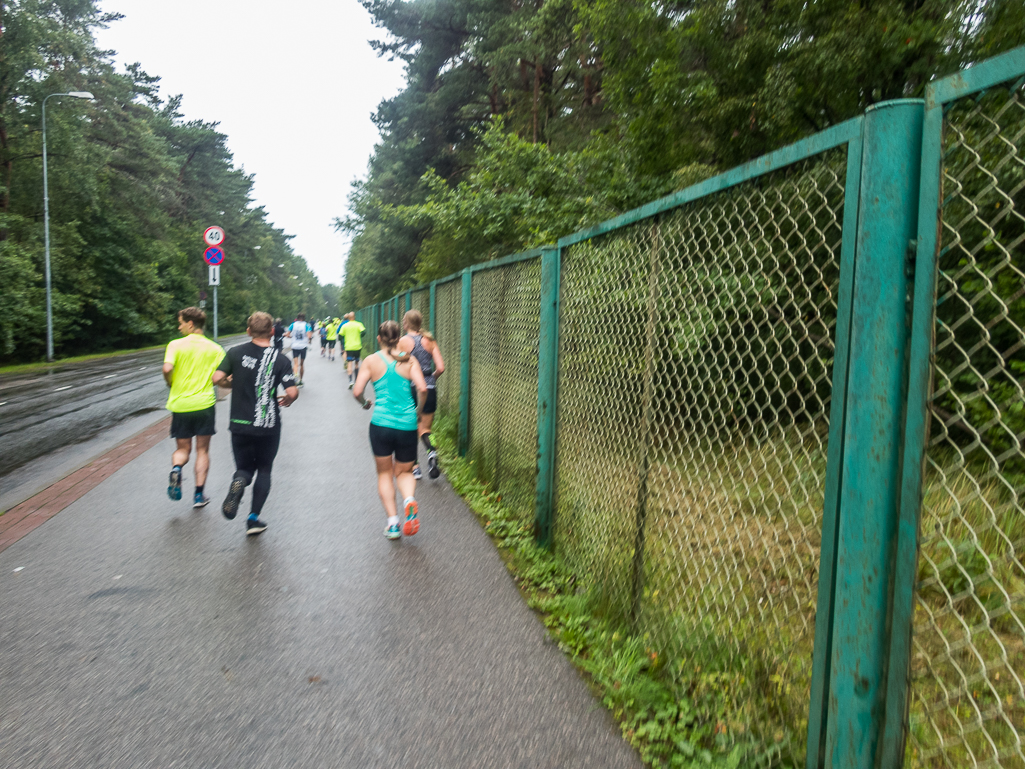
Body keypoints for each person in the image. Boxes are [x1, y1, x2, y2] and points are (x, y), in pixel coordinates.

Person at [212, 311, 300, 536]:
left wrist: (231, 383)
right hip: (267, 424)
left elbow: (216, 378)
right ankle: (253, 519)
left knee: (243, 467)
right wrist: (287, 399)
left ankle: (239, 482)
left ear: (248, 331)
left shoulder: (235, 353)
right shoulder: (280, 359)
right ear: (272, 332)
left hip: (239, 422)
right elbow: (292, 391)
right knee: (264, 468)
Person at [353, 320, 427, 540]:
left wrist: (365, 403)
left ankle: (393, 524)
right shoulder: (409, 359)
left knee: (384, 473)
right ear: (398, 338)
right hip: (406, 425)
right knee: (404, 472)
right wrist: (418, 412)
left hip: (381, 425)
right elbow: (422, 388)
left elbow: (357, 391)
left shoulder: (371, 361)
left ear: (379, 338)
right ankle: (409, 500)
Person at [162, 307, 226, 508]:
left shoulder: (175, 345)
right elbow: (221, 379)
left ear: (191, 324)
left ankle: (176, 469)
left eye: (181, 323)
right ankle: (199, 495)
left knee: (183, 449)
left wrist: (169, 381)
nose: (179, 327)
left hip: (181, 405)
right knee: (202, 450)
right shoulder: (215, 349)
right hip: (204, 405)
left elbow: (167, 368)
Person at [398, 310, 445, 480]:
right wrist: (431, 378)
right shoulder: (430, 341)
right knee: (425, 429)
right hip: (429, 388)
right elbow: (440, 367)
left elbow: (398, 365)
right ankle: (431, 453)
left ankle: (415, 467)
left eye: (404, 321)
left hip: (411, 388)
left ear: (407, 323)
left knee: (409, 429)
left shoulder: (403, 341)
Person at [341, 312, 366, 389]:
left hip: (349, 347)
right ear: (354, 317)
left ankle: (350, 380)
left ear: (348, 318)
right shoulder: (359, 324)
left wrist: (344, 342)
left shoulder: (345, 326)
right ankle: (357, 380)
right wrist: (359, 336)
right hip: (357, 346)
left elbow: (340, 335)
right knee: (356, 363)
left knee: (349, 363)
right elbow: (364, 332)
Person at [288, 313, 310, 384]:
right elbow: (309, 335)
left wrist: (291, 337)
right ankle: (300, 380)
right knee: (302, 364)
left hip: (295, 346)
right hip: (303, 346)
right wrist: (309, 338)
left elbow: (288, 334)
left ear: (297, 318)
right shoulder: (306, 325)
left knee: (295, 364)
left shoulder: (292, 325)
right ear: (304, 318)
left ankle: (295, 375)